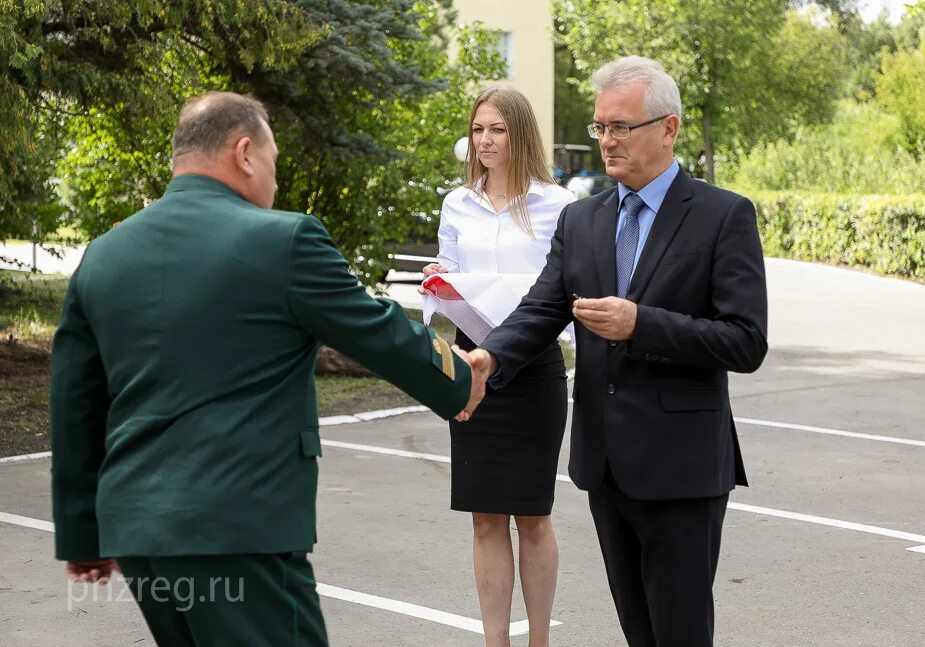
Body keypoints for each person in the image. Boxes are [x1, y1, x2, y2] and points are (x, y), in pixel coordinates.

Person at [50, 91, 485, 647]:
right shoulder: (283, 240)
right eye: (274, 164)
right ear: (246, 152)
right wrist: (458, 376)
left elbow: (75, 404)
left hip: (139, 536)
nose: (273, 183)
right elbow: (376, 330)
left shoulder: (106, 252)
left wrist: (82, 535)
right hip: (236, 531)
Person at [468, 57, 769, 646]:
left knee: (679, 632)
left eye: (621, 127)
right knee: (638, 631)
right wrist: (492, 357)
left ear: (669, 128)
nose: (607, 141)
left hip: (682, 467)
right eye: (599, 128)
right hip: (606, 463)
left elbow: (745, 340)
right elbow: (541, 308)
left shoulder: (722, 215)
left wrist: (642, 324)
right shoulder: (582, 219)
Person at [421, 86, 575, 647]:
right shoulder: (455, 203)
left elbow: (562, 293)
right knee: (484, 516)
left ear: (521, 135)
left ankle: (538, 640)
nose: (485, 140)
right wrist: (439, 285)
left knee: (532, 515)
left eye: (498, 130)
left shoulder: (557, 206)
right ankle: (496, 642)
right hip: (469, 365)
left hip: (534, 367)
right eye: (479, 129)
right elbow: (447, 296)